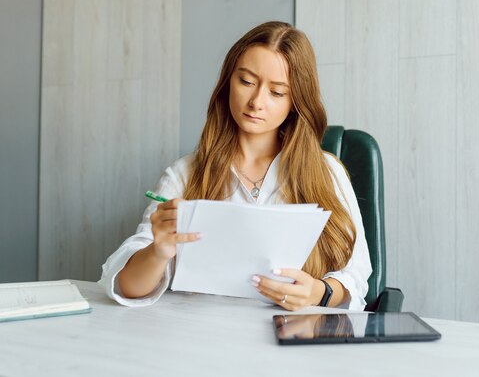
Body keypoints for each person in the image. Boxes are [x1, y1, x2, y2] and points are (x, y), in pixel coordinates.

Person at [98, 21, 372, 311]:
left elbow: (357, 275)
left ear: (295, 102)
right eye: (247, 82)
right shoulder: (184, 174)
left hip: (291, 337)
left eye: (277, 92)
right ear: (228, 81)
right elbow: (127, 287)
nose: (256, 102)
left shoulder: (326, 172)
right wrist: (159, 251)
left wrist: (320, 293)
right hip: (203, 338)